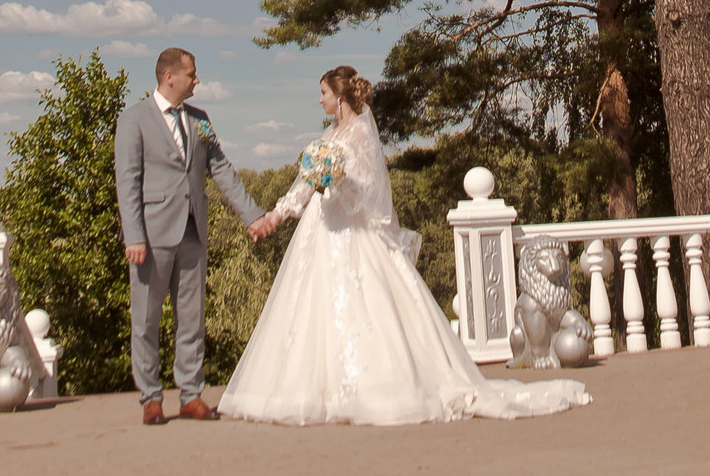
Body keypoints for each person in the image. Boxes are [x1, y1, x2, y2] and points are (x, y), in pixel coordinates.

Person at [218, 64, 592, 425]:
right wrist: (276, 215)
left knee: (368, 307)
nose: (320, 101)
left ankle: (377, 387)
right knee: (309, 307)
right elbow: (304, 186)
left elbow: (368, 190)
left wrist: (338, 180)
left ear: (341, 97)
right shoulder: (327, 140)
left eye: (323, 94)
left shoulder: (360, 135)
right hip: (320, 231)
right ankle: (313, 391)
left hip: (354, 232)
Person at [114, 46, 264, 425]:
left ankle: (191, 395)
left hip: (194, 229)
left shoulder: (200, 119)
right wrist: (133, 234)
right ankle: (150, 398)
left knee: (192, 319)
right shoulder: (133, 120)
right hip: (150, 235)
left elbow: (222, 170)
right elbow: (127, 182)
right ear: (170, 77)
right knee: (146, 319)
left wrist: (253, 215)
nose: (197, 80)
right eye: (192, 74)